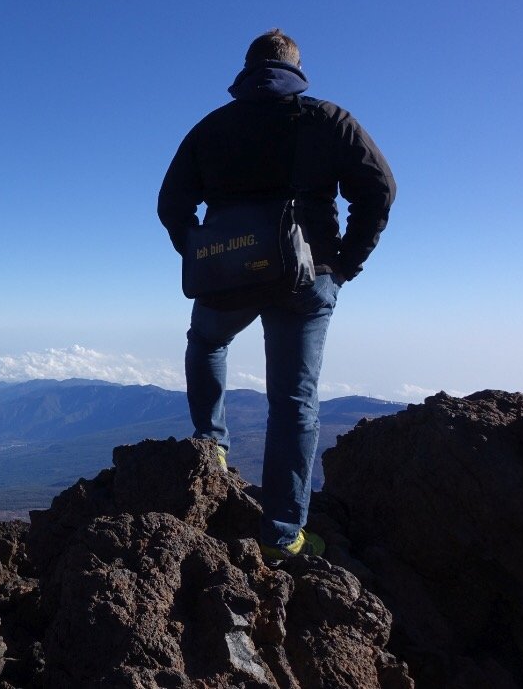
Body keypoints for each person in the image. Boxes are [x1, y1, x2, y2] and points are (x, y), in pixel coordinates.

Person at [157, 29, 396, 559]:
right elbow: (380, 189)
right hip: (306, 277)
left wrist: (202, 256)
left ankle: (211, 442)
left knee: (208, 342)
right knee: (292, 403)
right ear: (297, 68)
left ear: (246, 70)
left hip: (229, 278)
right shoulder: (327, 120)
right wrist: (344, 264)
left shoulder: (213, 127)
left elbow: (171, 204)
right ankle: (283, 538)